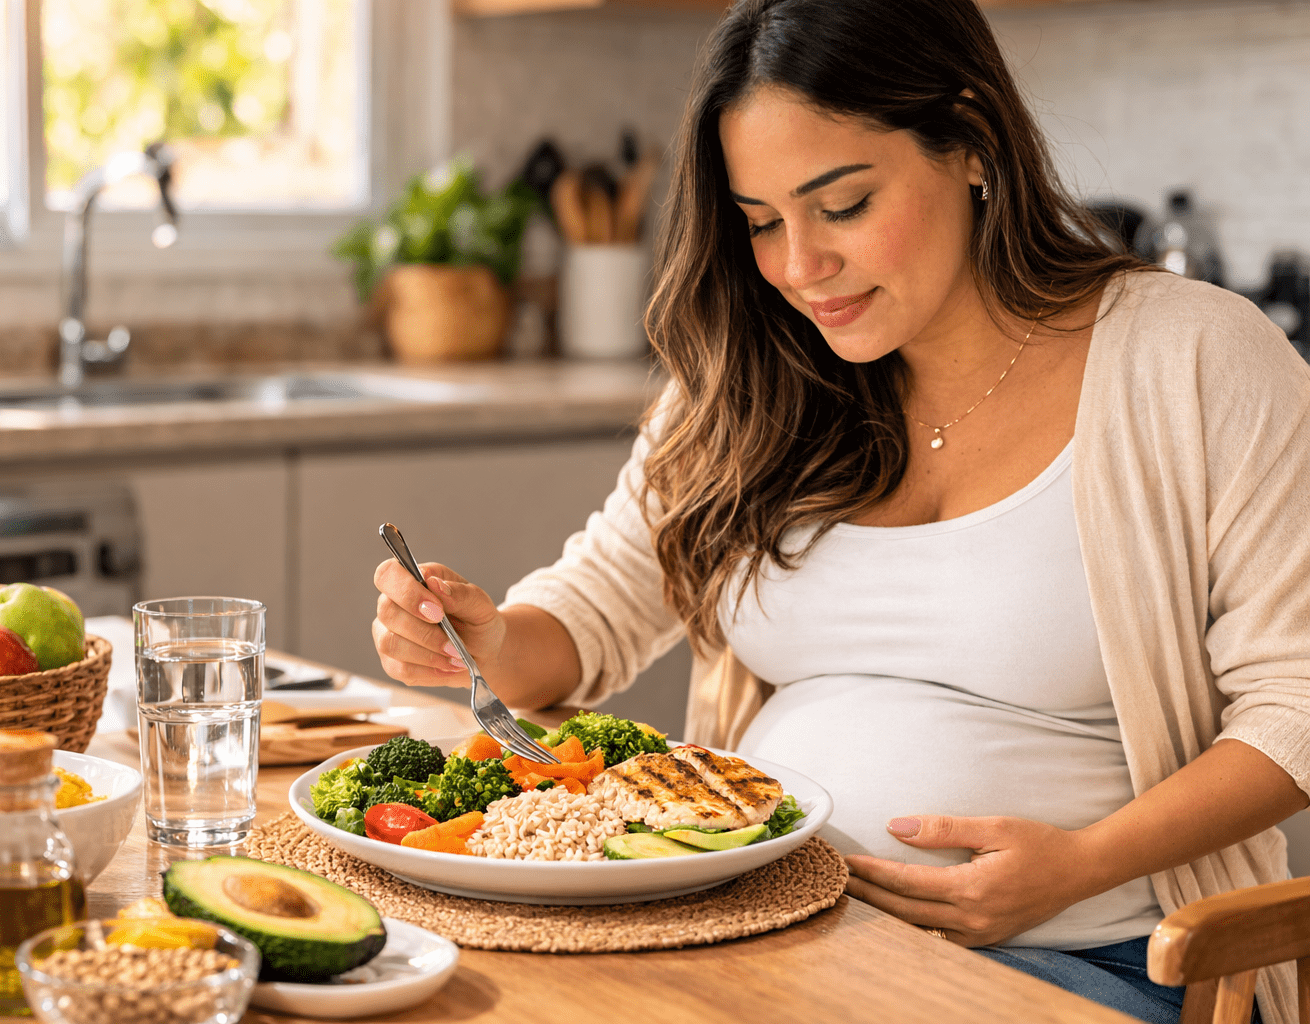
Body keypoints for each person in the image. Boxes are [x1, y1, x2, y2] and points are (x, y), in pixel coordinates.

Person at [370, 2, 1310, 1022]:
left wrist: (1080, 865)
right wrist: (487, 640)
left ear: (972, 141)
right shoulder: (752, 378)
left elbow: (1296, 703)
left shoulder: (1192, 357)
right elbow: (596, 609)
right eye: (762, 222)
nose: (797, 266)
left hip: (1089, 954)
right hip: (761, 934)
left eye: (844, 205)